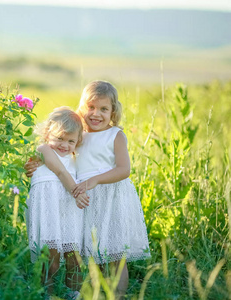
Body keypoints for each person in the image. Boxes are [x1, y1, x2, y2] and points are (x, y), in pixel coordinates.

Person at [25, 81, 150, 299]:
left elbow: (124, 169)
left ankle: (116, 296)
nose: (96, 114)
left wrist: (94, 181)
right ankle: (86, 292)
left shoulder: (115, 135)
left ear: (113, 111)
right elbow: (59, 154)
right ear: (83, 107)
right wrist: (35, 163)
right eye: (91, 107)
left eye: (103, 109)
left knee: (113, 255)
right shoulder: (78, 134)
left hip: (110, 197)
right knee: (91, 253)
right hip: (83, 201)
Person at [25, 106, 89, 299]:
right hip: (48, 208)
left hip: (69, 209)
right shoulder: (43, 150)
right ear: (47, 133)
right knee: (51, 259)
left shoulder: (75, 157)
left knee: (74, 258)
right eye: (59, 138)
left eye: (70, 141)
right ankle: (47, 293)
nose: (64, 145)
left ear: (78, 141)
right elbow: (60, 172)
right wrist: (77, 193)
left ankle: (74, 293)